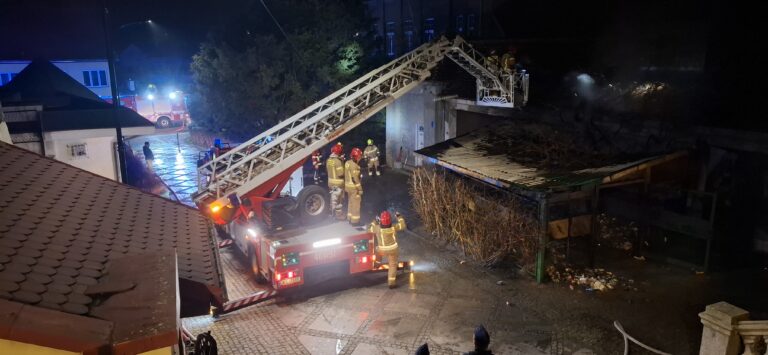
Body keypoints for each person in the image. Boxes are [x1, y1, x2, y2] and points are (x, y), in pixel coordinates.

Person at [369, 210, 406, 288]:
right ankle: (391, 283)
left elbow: (369, 229)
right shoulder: (393, 227)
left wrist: (375, 221)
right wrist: (399, 216)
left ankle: (377, 263)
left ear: (381, 220)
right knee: (392, 266)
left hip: (382, 250)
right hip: (393, 250)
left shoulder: (377, 228)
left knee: (377, 251)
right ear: (390, 220)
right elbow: (402, 225)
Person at [344, 148, 364, 225]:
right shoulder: (354, 166)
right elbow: (355, 179)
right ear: (356, 157)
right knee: (356, 204)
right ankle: (355, 222)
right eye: (359, 157)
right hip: (354, 188)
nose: (360, 158)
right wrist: (360, 189)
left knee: (350, 202)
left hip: (348, 187)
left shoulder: (347, 162)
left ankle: (349, 218)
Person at [326, 143, 345, 220]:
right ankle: (338, 215)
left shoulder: (328, 160)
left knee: (333, 198)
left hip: (331, 182)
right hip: (337, 183)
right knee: (338, 200)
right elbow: (341, 174)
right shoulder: (338, 161)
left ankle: (331, 212)